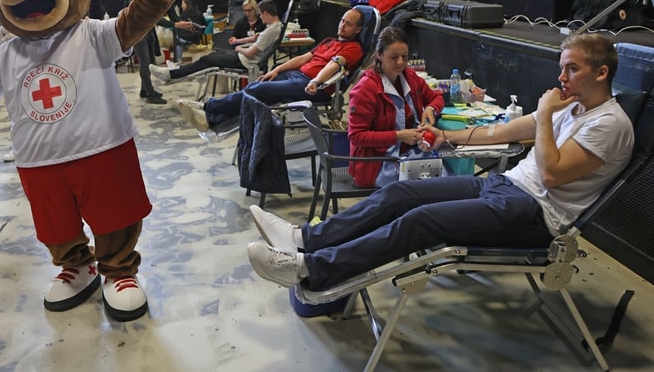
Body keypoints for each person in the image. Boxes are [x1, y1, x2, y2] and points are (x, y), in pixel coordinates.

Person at [246, 33, 635, 291]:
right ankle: (304, 239)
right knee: (399, 194)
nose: (561, 77)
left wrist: (546, 114)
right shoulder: (571, 108)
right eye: (561, 67)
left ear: (601, 73)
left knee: (419, 221)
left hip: (534, 212)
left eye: (572, 69)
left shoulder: (609, 123)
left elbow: (550, 174)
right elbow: (501, 132)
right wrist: (446, 136)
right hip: (505, 187)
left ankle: (311, 269)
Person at [175, 8, 365, 133]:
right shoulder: (329, 41)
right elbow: (303, 58)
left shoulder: (353, 48)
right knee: (261, 84)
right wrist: (277, 69)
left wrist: (315, 81)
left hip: (312, 86)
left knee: (257, 90)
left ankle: (208, 109)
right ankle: (213, 119)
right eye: (342, 21)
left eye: (348, 24)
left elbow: (334, 65)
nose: (342, 25)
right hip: (297, 76)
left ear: (358, 30)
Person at [347, 26, 444, 188]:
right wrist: (398, 136)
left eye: (404, 56)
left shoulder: (409, 76)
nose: (400, 62)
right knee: (436, 183)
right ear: (379, 55)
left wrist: (430, 109)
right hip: (377, 164)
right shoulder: (366, 89)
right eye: (393, 57)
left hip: (408, 154)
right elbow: (356, 136)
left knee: (448, 175)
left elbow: (436, 97)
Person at [149, 0, 282, 86]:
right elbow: (254, 40)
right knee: (210, 57)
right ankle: (189, 71)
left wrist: (239, 48)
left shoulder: (270, 30)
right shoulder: (275, 27)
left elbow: (250, 52)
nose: (260, 17)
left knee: (206, 60)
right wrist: (243, 42)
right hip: (245, 58)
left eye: (260, 14)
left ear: (265, 13)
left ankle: (170, 74)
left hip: (246, 60)